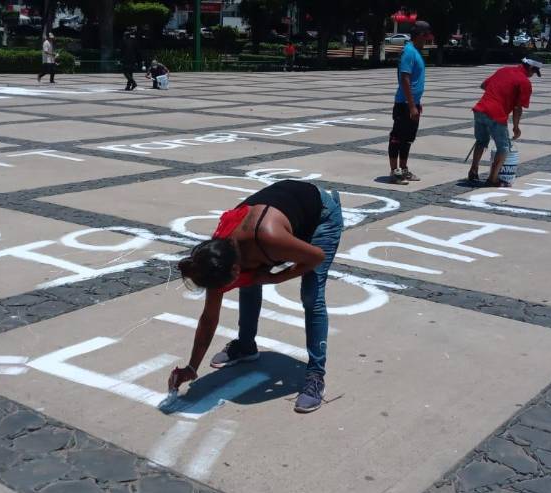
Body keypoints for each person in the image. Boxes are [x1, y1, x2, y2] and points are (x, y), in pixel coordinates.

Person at [167, 180, 343, 414]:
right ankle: (246, 346)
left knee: (311, 295)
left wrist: (274, 278)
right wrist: (191, 367)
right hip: (279, 213)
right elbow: (209, 318)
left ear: (235, 270)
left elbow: (316, 258)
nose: (219, 292)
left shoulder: (269, 239)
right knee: (251, 281)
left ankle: (315, 375)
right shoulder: (215, 257)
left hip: (320, 215)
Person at [467, 58, 542, 187]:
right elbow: (518, 108)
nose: (533, 75)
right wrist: (516, 127)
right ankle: (492, 178)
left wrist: (498, 92)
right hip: (496, 114)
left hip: (480, 109)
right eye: (534, 72)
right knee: (504, 148)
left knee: (481, 141)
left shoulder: (504, 70)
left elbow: (484, 85)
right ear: (530, 68)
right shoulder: (524, 82)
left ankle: (473, 171)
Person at [386, 21, 432, 185]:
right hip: (404, 104)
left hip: (413, 103)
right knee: (397, 137)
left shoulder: (416, 52)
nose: (429, 38)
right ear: (421, 35)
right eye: (427, 35)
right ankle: (394, 172)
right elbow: (404, 79)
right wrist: (411, 105)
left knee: (408, 139)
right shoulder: (409, 52)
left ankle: (404, 169)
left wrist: (416, 103)